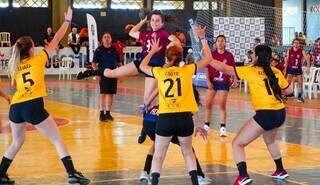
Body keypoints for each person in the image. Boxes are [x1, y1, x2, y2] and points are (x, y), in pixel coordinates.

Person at [2, 7, 90, 184]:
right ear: (32, 49)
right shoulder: (38, 59)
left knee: (17, 141)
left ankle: (0, 173)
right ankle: (71, 173)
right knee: (57, 138)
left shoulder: (16, 66)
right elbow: (57, 38)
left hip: (16, 107)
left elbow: (15, 85)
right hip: (32, 105)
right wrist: (67, 21)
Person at [206, 43, 293, 185]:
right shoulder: (275, 71)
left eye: (253, 53)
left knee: (237, 144)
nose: (251, 55)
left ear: (257, 57)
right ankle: (280, 170)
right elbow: (289, 91)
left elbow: (223, 68)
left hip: (266, 114)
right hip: (280, 112)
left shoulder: (250, 70)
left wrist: (208, 59)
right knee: (270, 141)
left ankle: (243, 176)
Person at [139, 25, 210, 185]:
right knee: (188, 153)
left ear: (166, 59)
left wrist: (151, 51)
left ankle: (154, 181)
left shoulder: (160, 72)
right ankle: (195, 182)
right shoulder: (187, 70)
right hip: (184, 118)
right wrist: (203, 38)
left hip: (166, 118)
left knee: (159, 155)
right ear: (181, 58)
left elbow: (142, 66)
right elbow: (208, 59)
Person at [139, 86, 212, 185]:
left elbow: (157, 89)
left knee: (157, 148)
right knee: (188, 150)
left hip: (149, 121)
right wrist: (198, 124)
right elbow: (192, 109)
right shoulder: (185, 95)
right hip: (168, 119)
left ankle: (145, 172)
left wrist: (145, 104)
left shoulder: (166, 87)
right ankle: (199, 177)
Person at [204, 35, 236, 137]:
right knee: (208, 105)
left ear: (225, 43)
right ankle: (206, 126)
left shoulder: (229, 55)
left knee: (222, 105)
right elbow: (206, 69)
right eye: (218, 41)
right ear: (216, 43)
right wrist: (208, 81)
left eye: (222, 41)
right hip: (212, 82)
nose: (220, 42)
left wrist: (235, 80)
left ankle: (222, 128)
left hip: (223, 82)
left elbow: (233, 69)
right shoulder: (211, 55)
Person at [92, 32, 121, 122]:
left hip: (113, 74)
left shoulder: (114, 49)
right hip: (103, 74)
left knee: (110, 94)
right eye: (105, 37)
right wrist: (97, 74)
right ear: (102, 39)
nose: (107, 38)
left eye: (108, 37)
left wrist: (120, 74)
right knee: (103, 93)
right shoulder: (99, 50)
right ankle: (101, 113)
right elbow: (93, 64)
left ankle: (108, 113)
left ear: (111, 39)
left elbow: (119, 63)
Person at [284, 38, 310, 102]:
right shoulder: (289, 50)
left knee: (300, 83)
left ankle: (300, 97)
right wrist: (285, 70)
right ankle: (284, 95)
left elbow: (307, 59)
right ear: (292, 44)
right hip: (290, 69)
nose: (296, 44)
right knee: (287, 82)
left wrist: (308, 68)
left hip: (298, 69)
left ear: (299, 44)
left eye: (297, 43)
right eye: (295, 43)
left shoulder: (302, 51)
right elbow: (286, 61)